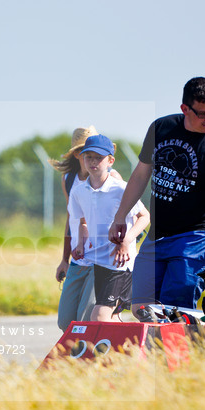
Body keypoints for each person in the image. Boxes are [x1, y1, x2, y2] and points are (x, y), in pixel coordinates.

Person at [108, 77, 205, 311]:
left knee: (175, 310)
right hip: (158, 237)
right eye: (204, 113)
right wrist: (120, 216)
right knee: (142, 309)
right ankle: (158, 348)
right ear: (185, 109)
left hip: (198, 239)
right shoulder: (161, 128)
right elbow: (140, 175)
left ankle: (184, 347)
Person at [69, 134, 150, 321]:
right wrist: (81, 244)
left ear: (110, 161)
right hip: (99, 262)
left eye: (99, 157)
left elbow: (144, 216)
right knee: (112, 318)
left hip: (120, 263)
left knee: (99, 316)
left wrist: (127, 241)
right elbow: (83, 222)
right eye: (88, 156)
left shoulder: (121, 188)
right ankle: (125, 349)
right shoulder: (78, 191)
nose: (93, 161)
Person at [52, 126, 123, 330]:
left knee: (88, 318)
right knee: (66, 322)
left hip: (103, 257)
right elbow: (71, 219)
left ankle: (98, 354)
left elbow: (127, 217)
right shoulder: (69, 179)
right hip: (80, 256)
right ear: (78, 154)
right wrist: (65, 260)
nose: (93, 157)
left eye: (97, 153)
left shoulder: (113, 178)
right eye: (86, 151)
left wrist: (122, 244)